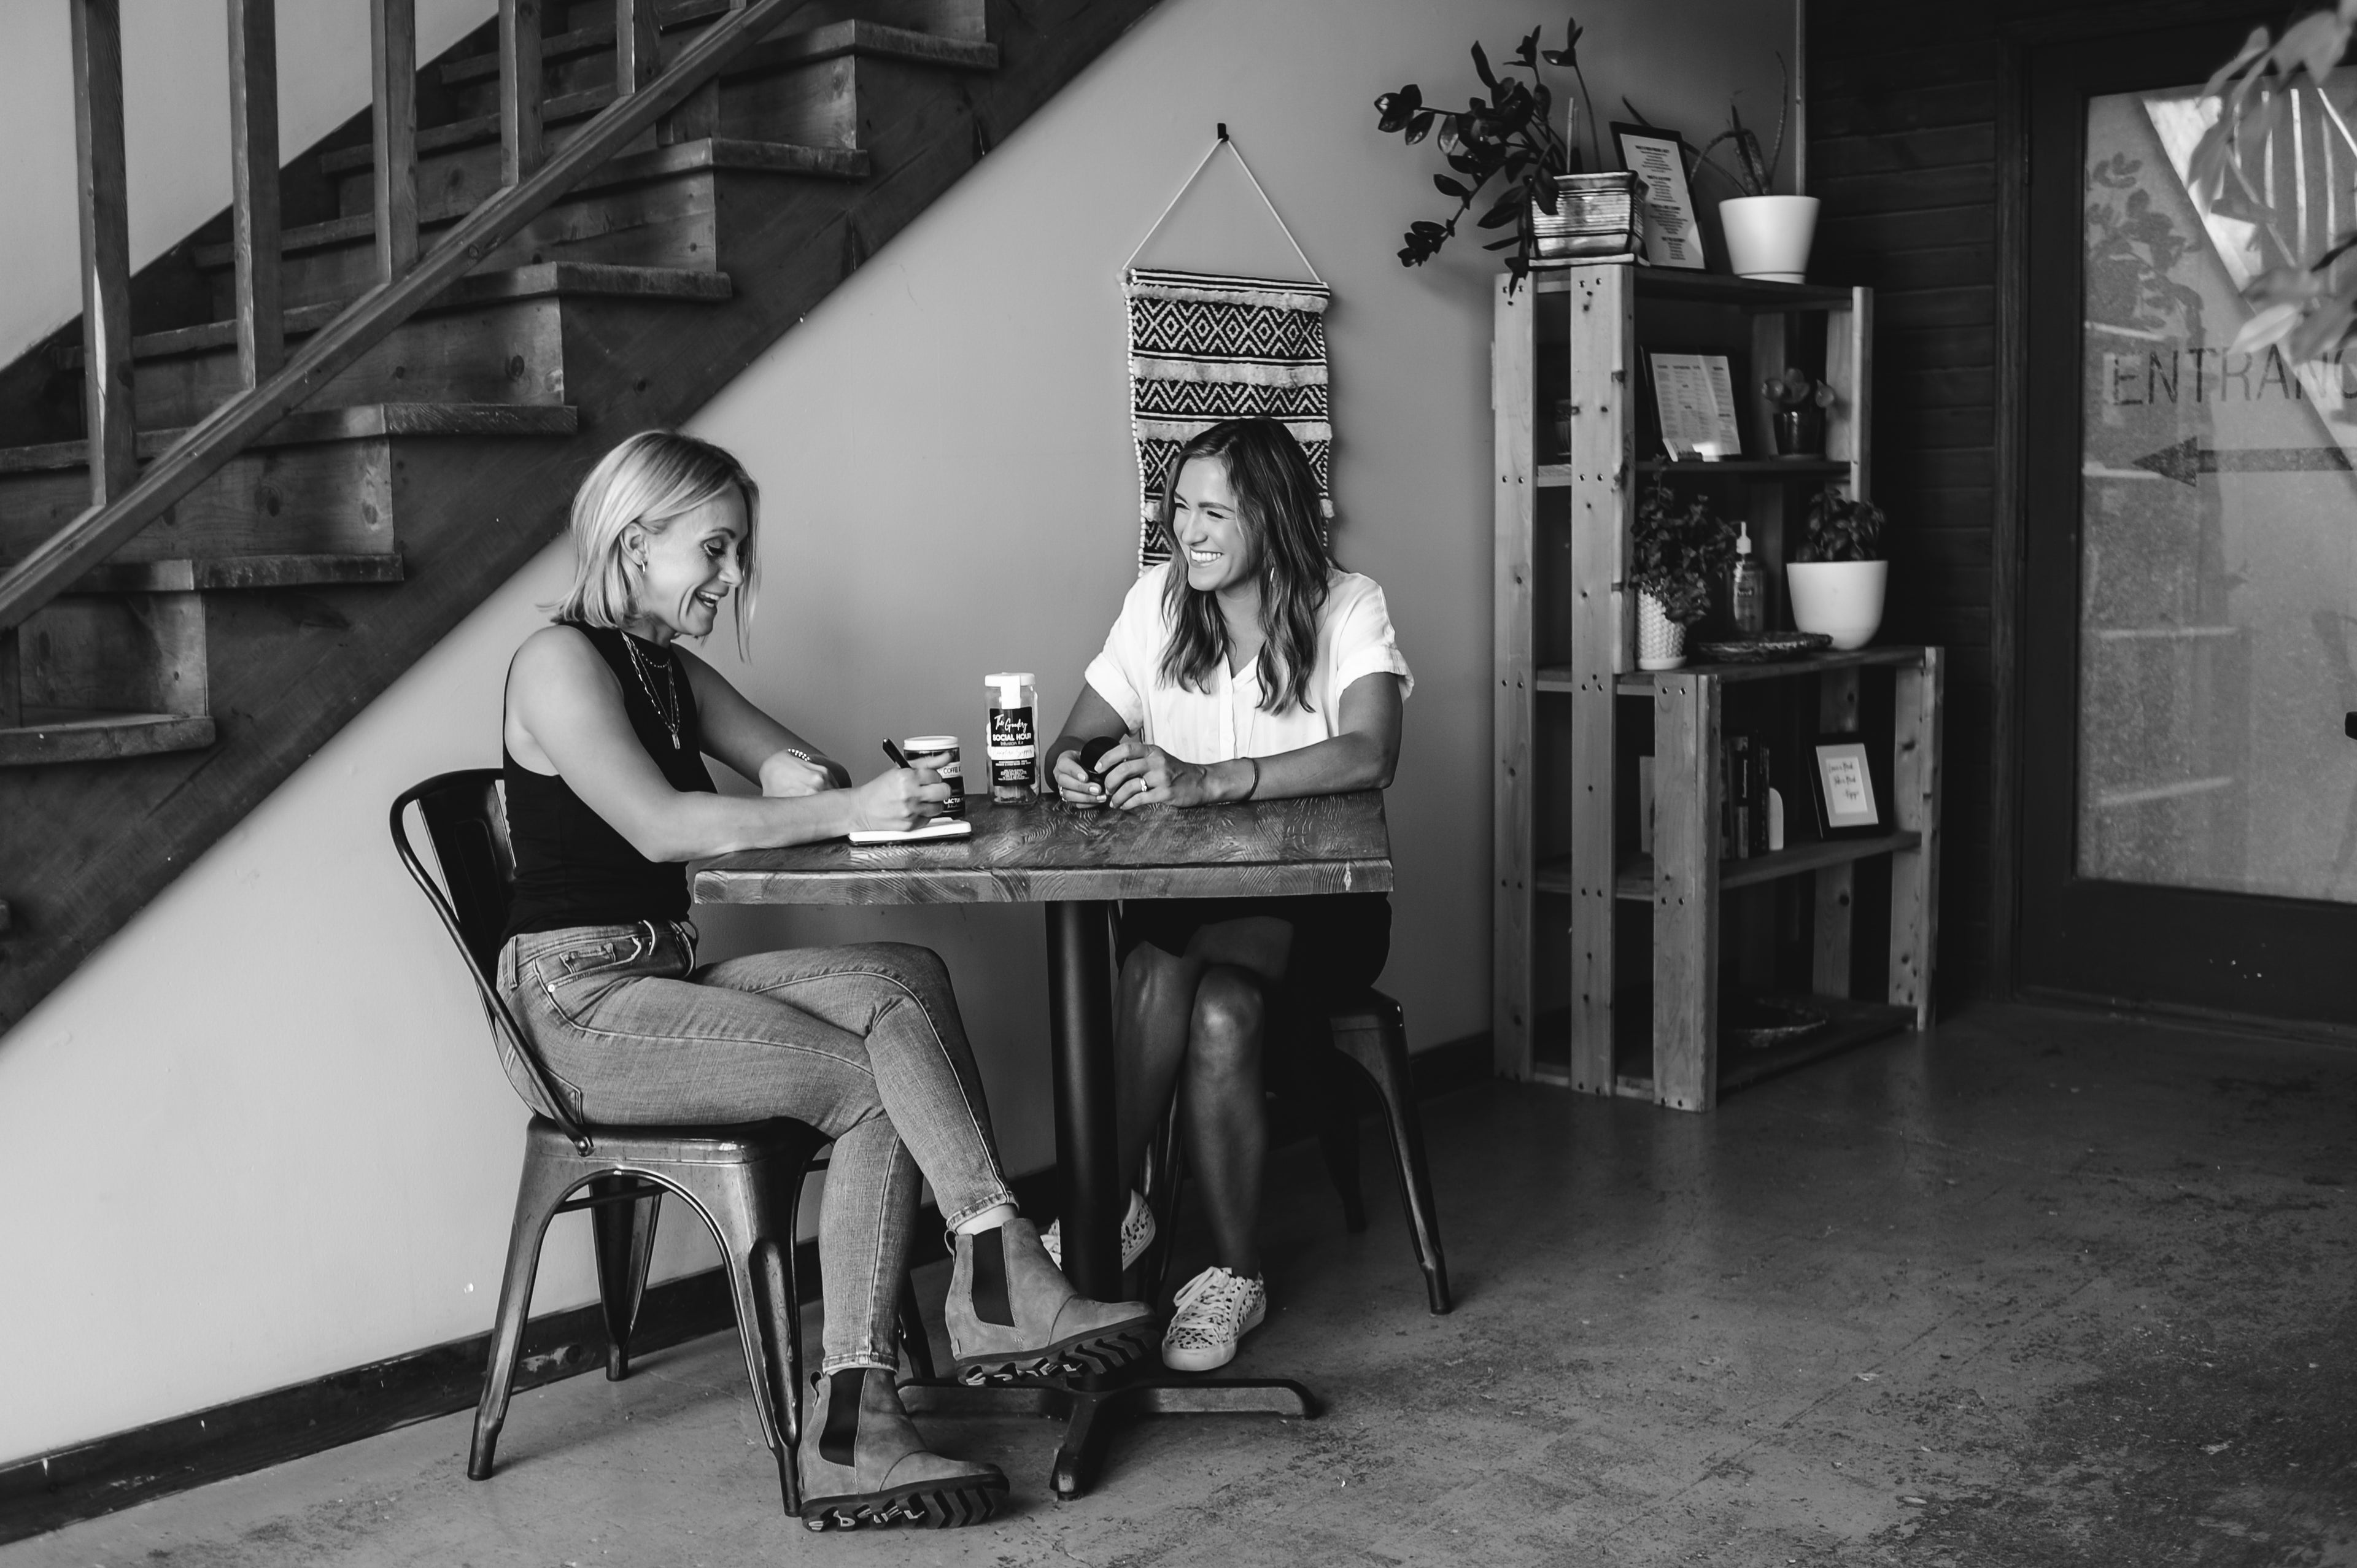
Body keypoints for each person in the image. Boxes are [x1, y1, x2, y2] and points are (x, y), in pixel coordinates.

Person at [494, 430, 1153, 1530]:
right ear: (634, 537)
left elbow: (803, 774)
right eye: (714, 548)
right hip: (578, 1005)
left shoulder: (670, 673)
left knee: (901, 978)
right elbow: (660, 827)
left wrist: (813, 779)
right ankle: (865, 1401)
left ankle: (989, 1270)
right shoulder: (556, 663)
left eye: (740, 551)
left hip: (665, 972)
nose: (733, 575)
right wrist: (843, 810)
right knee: (869, 1080)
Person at [1043, 417, 1411, 1374]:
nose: (1188, 531)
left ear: (1273, 516)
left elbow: (1373, 752)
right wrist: (1076, 768)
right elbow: (1074, 739)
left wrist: (1214, 779)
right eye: (1180, 508)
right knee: (1203, 996)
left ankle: (1120, 1225)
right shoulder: (1159, 602)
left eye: (1214, 511)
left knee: (1180, 975)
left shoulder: (1347, 604)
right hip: (1185, 914)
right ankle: (1175, 1246)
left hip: (1321, 914)